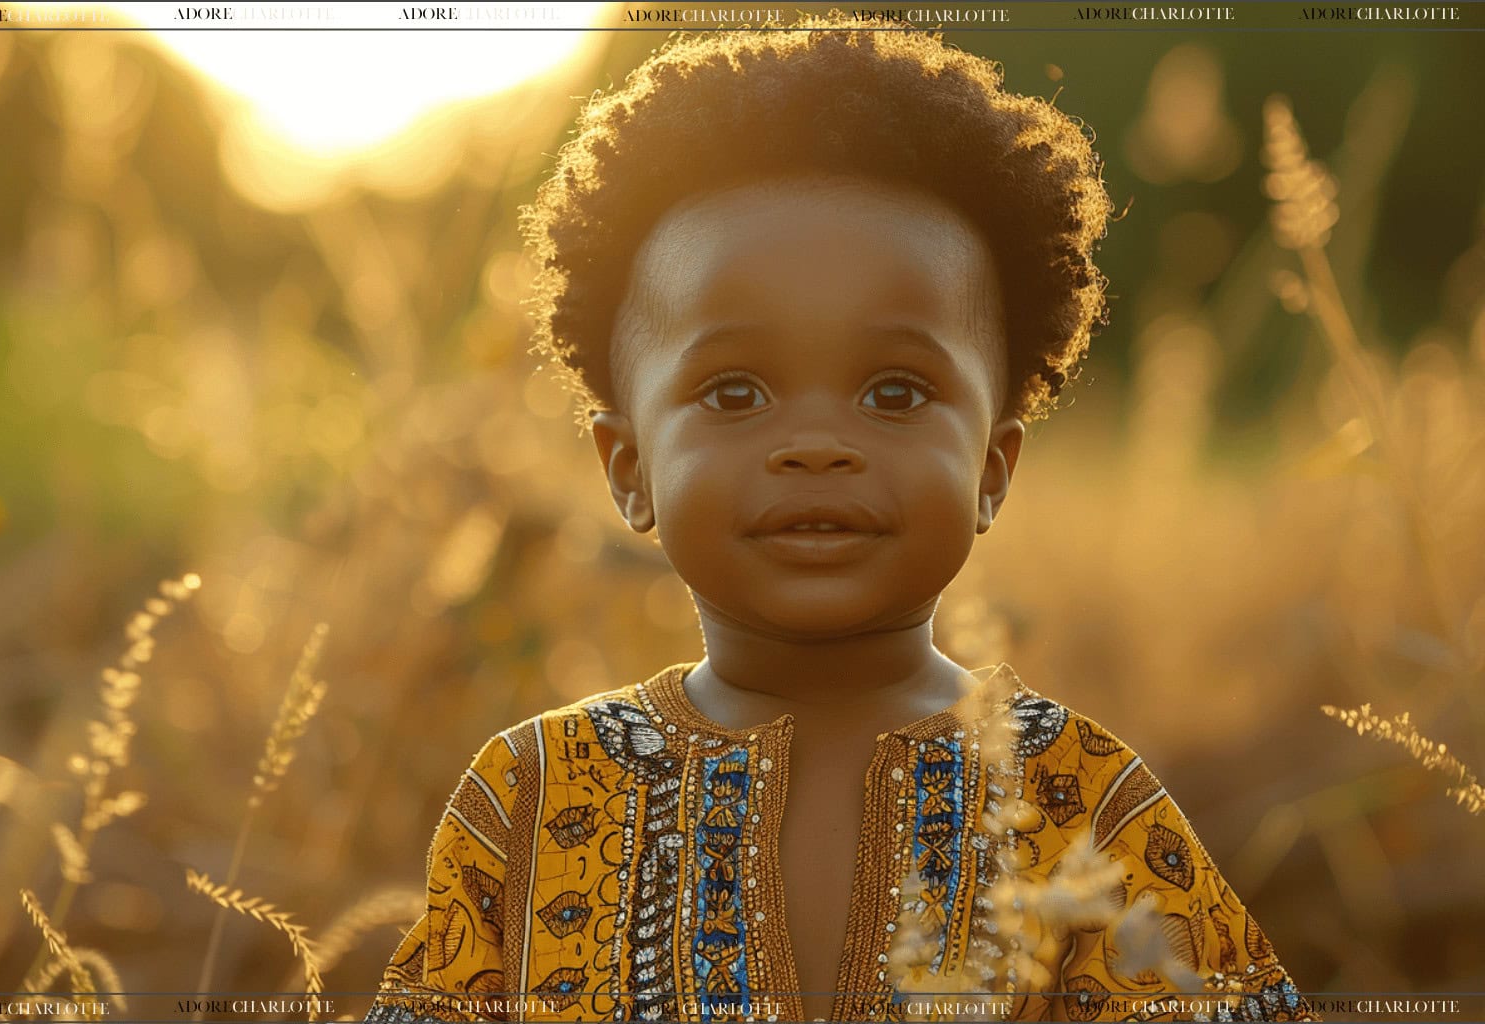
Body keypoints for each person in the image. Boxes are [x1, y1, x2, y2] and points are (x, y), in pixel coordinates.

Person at [365, 14, 1315, 1023]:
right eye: (733, 394)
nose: (816, 444)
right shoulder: (529, 794)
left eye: (895, 393)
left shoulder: (1076, 793)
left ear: (992, 468)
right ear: (629, 468)